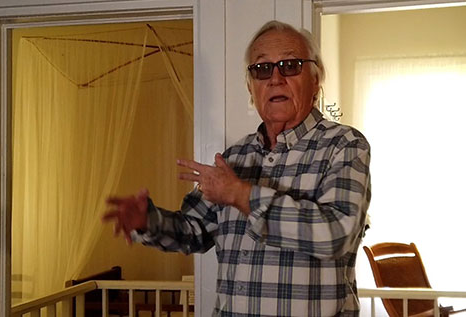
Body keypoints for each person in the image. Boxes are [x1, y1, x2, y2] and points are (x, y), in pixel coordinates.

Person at [102, 20, 371, 317]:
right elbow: (193, 231)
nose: (276, 78)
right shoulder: (233, 158)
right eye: (262, 69)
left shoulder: (344, 145)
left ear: (316, 80)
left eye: (291, 65)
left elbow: (335, 232)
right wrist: (147, 221)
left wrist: (242, 195)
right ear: (251, 87)